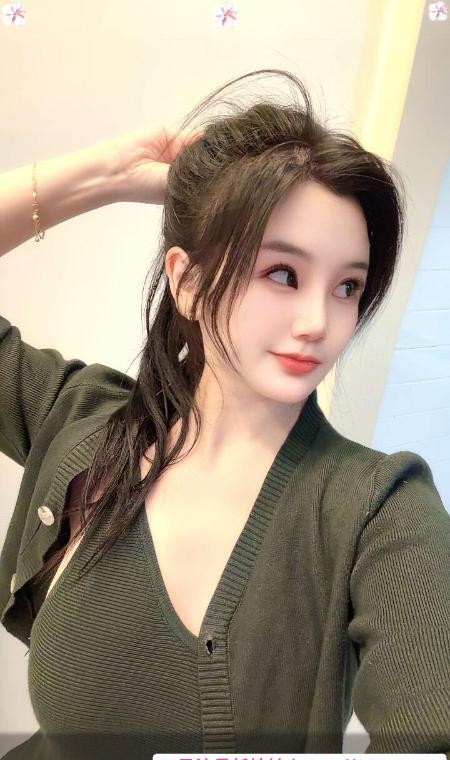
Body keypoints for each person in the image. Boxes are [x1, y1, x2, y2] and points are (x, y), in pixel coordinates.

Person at [0, 69, 449, 760]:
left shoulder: (379, 511)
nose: (319, 321)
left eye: (347, 286)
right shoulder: (83, 422)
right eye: (282, 273)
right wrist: (102, 176)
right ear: (186, 280)